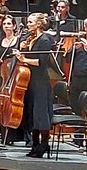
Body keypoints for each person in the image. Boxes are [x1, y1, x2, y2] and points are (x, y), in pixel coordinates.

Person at [14, 11, 56, 158]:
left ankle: (44, 144)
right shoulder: (30, 38)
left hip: (40, 82)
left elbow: (41, 62)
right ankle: (35, 145)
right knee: (32, 114)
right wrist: (23, 48)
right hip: (30, 81)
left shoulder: (45, 40)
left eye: (31, 22)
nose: (28, 24)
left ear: (39, 24)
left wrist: (24, 59)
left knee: (41, 115)